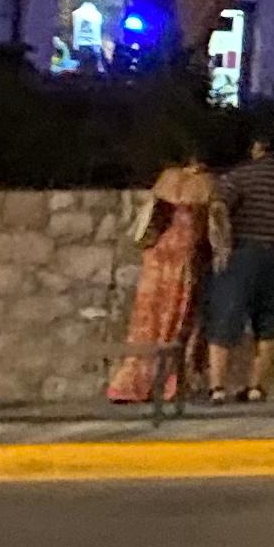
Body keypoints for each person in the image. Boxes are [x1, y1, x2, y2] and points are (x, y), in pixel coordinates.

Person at [206, 111, 274, 403]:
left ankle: (217, 388)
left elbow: (218, 207)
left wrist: (222, 243)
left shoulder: (240, 176)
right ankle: (256, 387)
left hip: (243, 252)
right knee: (269, 324)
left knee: (225, 318)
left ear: (258, 146)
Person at [103, 132, 217, 405]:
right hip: (184, 258)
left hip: (157, 256)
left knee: (146, 319)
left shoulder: (166, 179)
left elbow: (153, 216)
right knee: (176, 320)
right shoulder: (206, 184)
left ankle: (133, 382)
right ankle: (168, 383)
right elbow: (214, 228)